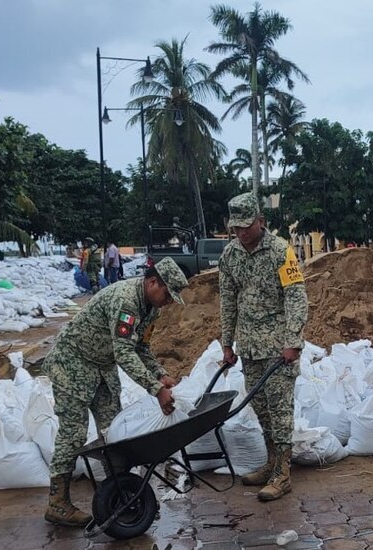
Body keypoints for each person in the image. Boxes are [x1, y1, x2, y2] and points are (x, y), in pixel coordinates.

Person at [43, 258, 187, 526]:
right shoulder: (126, 301)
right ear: (153, 282)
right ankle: (58, 503)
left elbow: (141, 348)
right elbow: (123, 352)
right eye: (167, 294)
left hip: (102, 369)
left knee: (115, 433)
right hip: (72, 363)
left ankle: (122, 495)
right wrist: (156, 390)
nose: (168, 302)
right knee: (73, 434)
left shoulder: (150, 308)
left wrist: (160, 374)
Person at [219, 193, 309, 501]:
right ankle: (271, 462)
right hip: (249, 348)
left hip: (278, 349)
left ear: (260, 221)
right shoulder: (230, 255)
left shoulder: (280, 251)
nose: (242, 232)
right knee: (261, 410)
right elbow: (228, 301)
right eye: (236, 227)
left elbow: (296, 297)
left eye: (247, 225)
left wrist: (293, 341)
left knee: (280, 410)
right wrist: (226, 344)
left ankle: (283, 475)